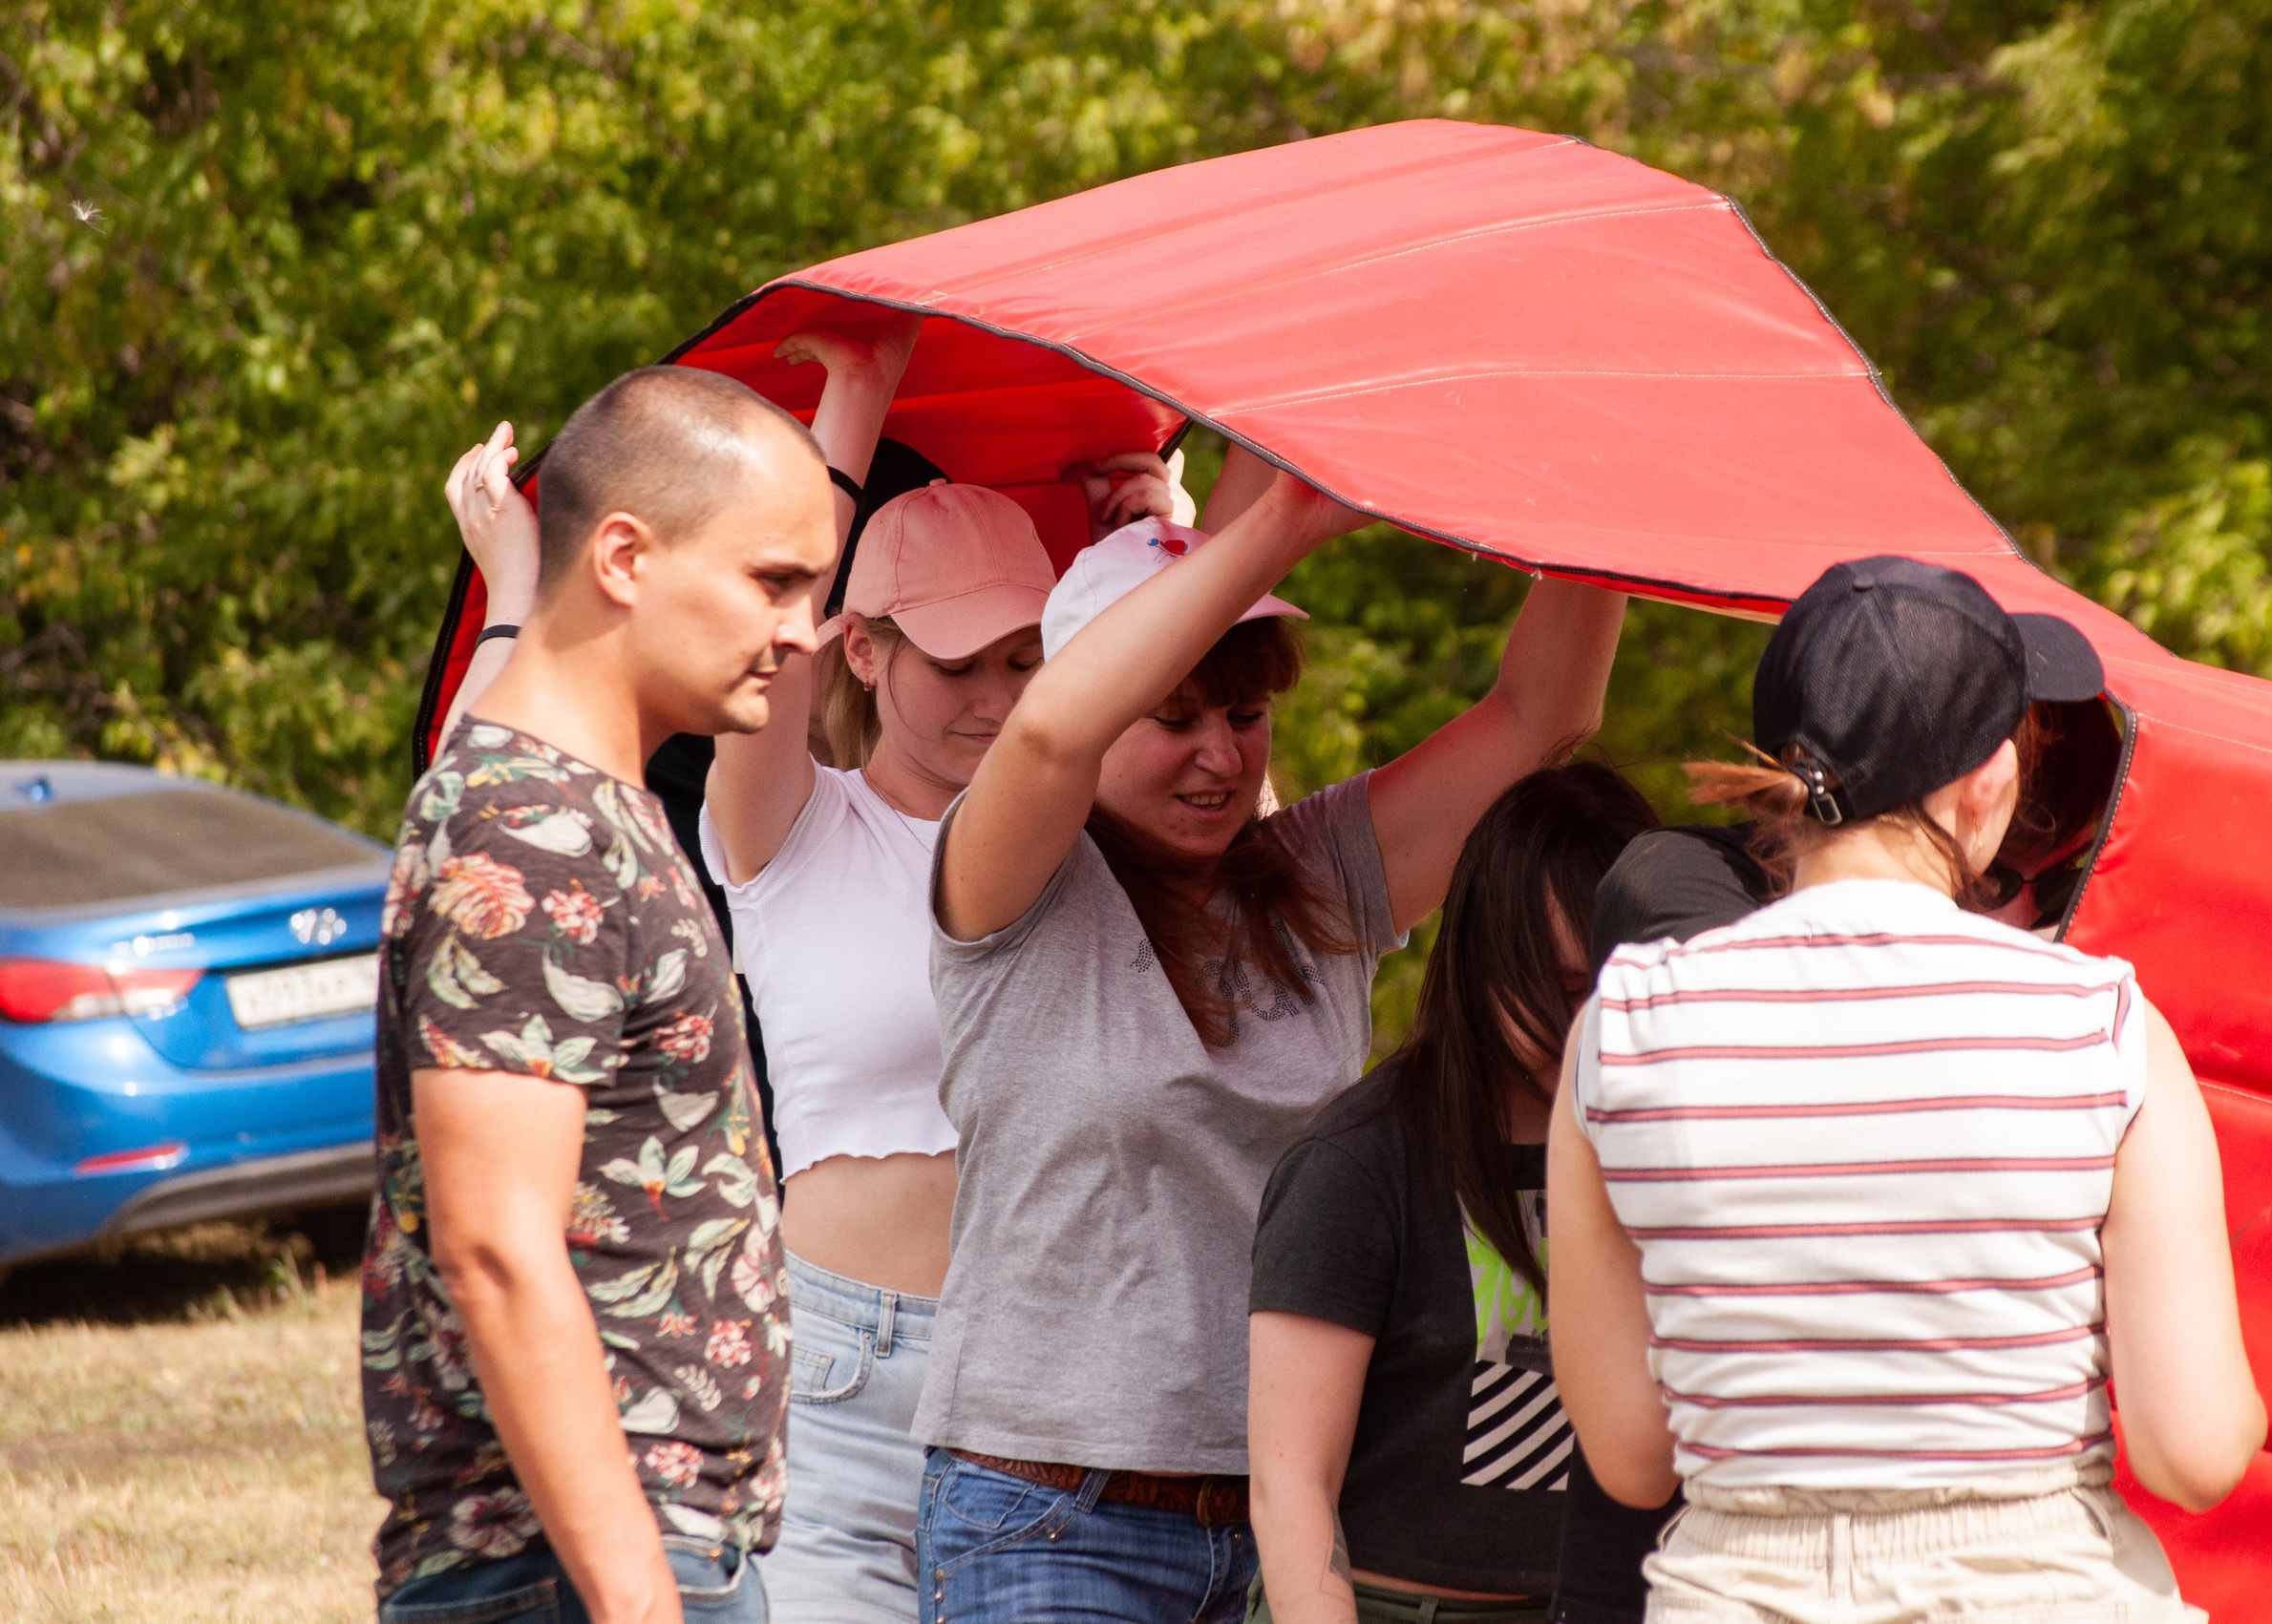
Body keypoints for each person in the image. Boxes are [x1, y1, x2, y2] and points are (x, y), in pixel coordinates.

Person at [437, 318, 1191, 1624]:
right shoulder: (790, 825)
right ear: (864, 648)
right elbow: (766, 622)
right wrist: (857, 391)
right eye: (960, 662)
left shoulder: (1090, 834)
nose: (1001, 699)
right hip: (850, 1377)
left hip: (1054, 1382)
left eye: (1029, 660)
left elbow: (1246, 844)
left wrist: (1164, 546)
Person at [916, 458, 1628, 1624]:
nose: (1221, 755)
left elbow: (1543, 719)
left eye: (1245, 717)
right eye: (1174, 718)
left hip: (1290, 1519)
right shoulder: (1020, 882)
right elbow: (1047, 735)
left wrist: (1601, 465)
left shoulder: (1318, 876)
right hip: (1052, 1517)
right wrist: (1290, 518)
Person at [1545, 557, 2264, 1622]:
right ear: (1990, 780)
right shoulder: (2100, 1024)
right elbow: (2191, 1451)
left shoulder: (1623, 1026)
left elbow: (1631, 1457)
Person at [366, 366, 833, 1624]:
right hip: (585, 1564)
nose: (802, 631)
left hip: (617, 1552)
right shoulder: (534, 834)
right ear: (623, 557)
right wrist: (638, 1600)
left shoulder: (548, 795)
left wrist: (515, 587)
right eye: (774, 581)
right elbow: (496, 1247)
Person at [1244, 763, 1659, 1624]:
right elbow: (1292, 1488)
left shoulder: (1671, 1141)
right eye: (1549, 981)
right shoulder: (1359, 1161)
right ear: (1477, 958)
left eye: (1606, 988)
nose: (1580, 1022)